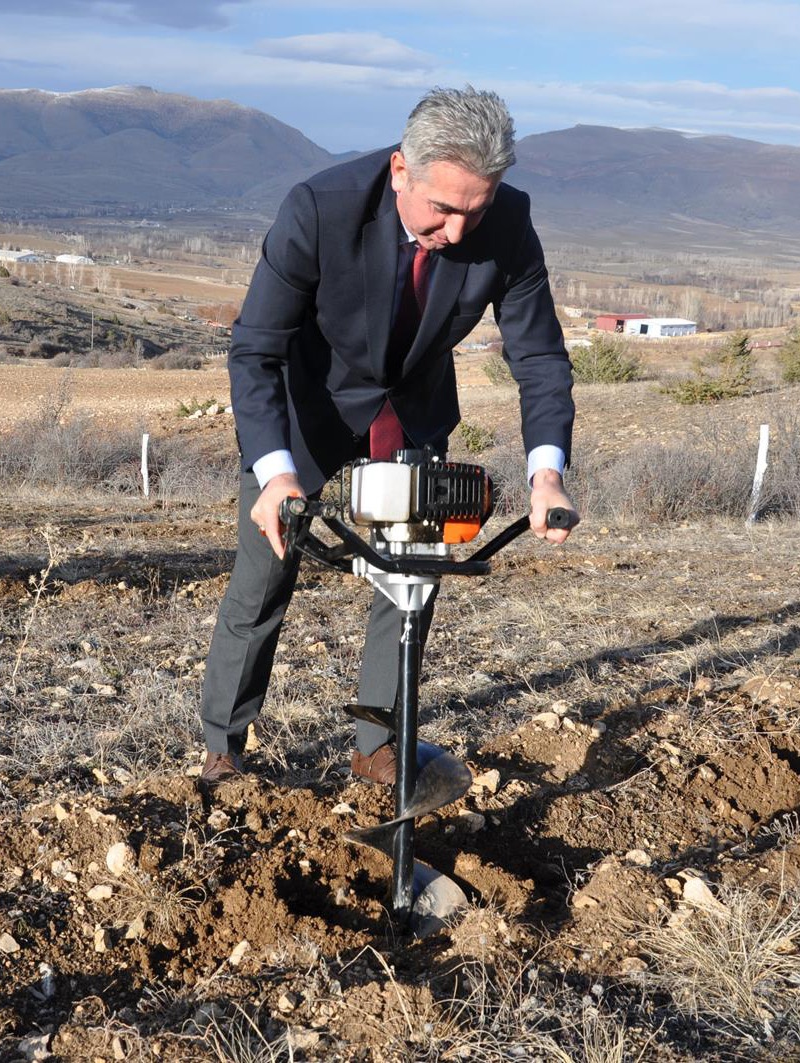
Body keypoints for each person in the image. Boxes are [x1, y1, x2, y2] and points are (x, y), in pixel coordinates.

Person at [198, 86, 577, 787]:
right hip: (308, 407)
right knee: (263, 574)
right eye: (443, 209)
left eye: (477, 210)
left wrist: (545, 470)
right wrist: (275, 473)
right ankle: (225, 748)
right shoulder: (320, 208)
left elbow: (540, 356)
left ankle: (378, 741)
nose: (459, 232)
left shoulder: (509, 223)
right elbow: (255, 349)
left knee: (410, 580)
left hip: (410, 409)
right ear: (402, 170)